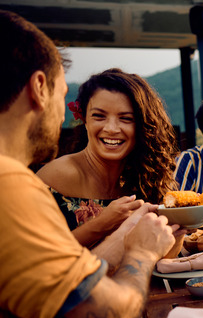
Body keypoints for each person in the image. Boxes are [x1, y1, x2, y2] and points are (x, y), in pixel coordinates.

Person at [0, 10, 176, 318]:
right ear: (40, 88)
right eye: (66, 95)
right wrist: (141, 252)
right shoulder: (11, 189)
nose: (65, 113)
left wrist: (129, 232)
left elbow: (69, 276)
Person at [37, 68, 178, 249]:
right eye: (99, 116)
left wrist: (180, 230)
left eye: (126, 118)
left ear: (143, 126)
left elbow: (159, 260)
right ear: (84, 119)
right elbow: (38, 256)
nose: (111, 128)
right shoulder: (56, 176)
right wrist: (102, 224)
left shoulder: (146, 178)